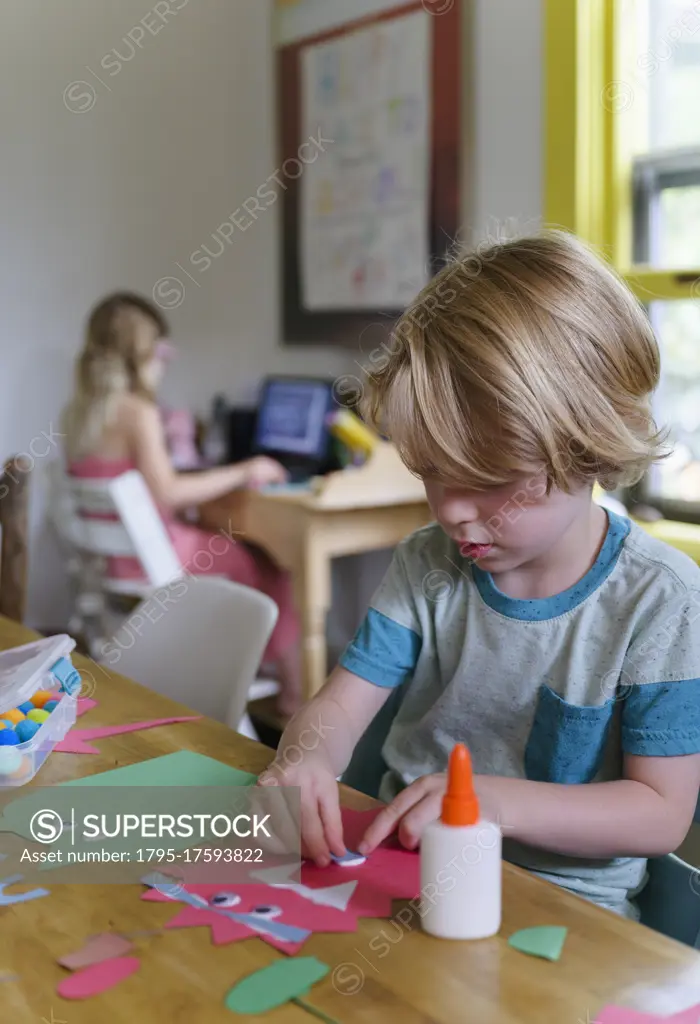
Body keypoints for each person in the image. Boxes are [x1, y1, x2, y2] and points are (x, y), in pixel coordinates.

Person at [258, 231, 700, 918]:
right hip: (406, 876)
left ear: (591, 448)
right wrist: (303, 759)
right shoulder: (426, 562)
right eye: (431, 472)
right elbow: (342, 705)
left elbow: (660, 814)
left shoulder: (659, 601)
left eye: (491, 482)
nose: (454, 512)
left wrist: (490, 801)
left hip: (564, 912)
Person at [62, 292, 302, 715]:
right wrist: (246, 471)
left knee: (243, 555)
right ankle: (293, 697)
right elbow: (168, 492)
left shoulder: (78, 412)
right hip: (156, 559)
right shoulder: (137, 412)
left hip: (115, 565)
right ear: (141, 352)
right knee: (269, 565)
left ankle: (254, 675)